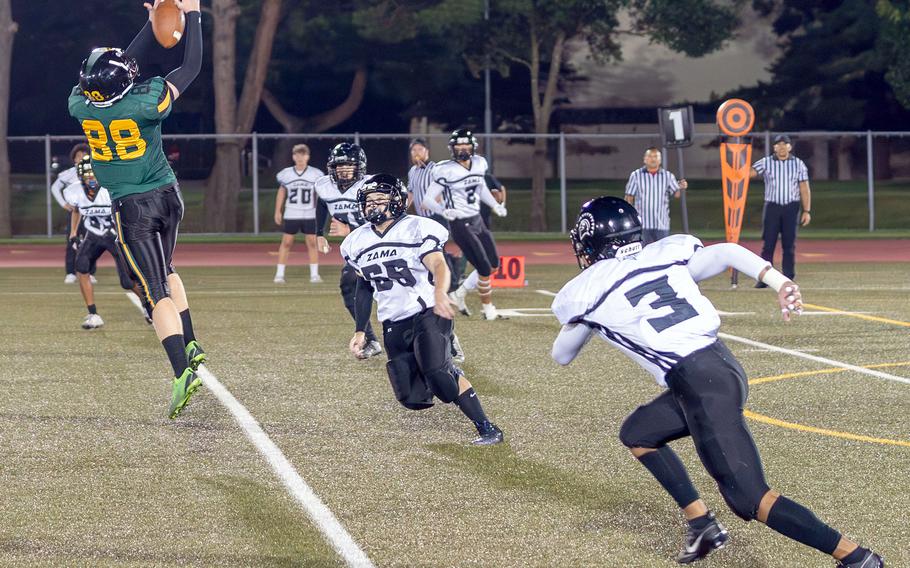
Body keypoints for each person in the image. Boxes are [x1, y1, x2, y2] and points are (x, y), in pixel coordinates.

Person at [550, 196, 883, 567]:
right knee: (639, 433)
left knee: (750, 498)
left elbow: (561, 355)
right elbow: (726, 250)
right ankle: (701, 523)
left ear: (590, 243)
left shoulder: (586, 292)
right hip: (719, 367)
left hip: (699, 386)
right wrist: (779, 280)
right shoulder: (665, 253)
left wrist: (580, 322)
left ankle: (856, 557)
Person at [68, 0, 206, 419]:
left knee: (154, 290)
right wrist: (194, 15)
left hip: (133, 207)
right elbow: (191, 67)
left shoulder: (81, 105)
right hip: (168, 195)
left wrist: (150, 24)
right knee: (168, 269)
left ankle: (182, 371)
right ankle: (192, 340)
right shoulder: (146, 101)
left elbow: (118, 70)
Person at [343, 174, 503, 445]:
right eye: (369, 201)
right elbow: (364, 287)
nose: (373, 206)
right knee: (412, 399)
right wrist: (361, 330)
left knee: (440, 378)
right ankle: (444, 360)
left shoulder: (417, 227)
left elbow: (439, 265)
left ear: (397, 200)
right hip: (393, 320)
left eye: (380, 199)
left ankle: (488, 428)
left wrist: (440, 294)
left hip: (428, 310)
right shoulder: (354, 242)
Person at [423, 129, 507, 321]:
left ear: (472, 147)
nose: (462, 149)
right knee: (484, 269)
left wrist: (495, 205)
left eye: (466, 145)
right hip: (460, 224)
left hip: (477, 219)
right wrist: (443, 210)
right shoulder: (445, 169)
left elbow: (481, 187)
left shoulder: (479, 163)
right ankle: (488, 309)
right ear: (452, 148)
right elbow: (428, 199)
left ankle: (459, 293)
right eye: (458, 146)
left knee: (494, 265)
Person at [64, 157, 153, 329]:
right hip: (93, 234)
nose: (91, 179)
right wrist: (74, 232)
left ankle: (148, 306)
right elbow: (76, 210)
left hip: (115, 235)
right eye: (87, 175)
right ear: (81, 176)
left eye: (93, 175)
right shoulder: (75, 191)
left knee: (127, 281)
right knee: (81, 266)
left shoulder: (110, 189)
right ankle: (93, 314)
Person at [314, 142, 382, 359]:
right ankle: (370, 339)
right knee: (349, 286)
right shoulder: (326, 186)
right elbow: (323, 203)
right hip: (358, 249)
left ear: (359, 167)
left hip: (382, 243)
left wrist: (348, 228)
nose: (343, 169)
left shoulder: (370, 186)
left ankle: (444, 337)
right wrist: (319, 233)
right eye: (339, 165)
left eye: (348, 165)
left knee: (393, 291)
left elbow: (381, 219)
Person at [406, 138, 465, 363]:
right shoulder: (413, 172)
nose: (417, 153)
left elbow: (442, 189)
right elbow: (411, 194)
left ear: (427, 151)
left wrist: (434, 201)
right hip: (421, 221)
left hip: (436, 218)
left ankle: (451, 276)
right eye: (414, 150)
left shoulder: (435, 168)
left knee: (435, 259)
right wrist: (403, 209)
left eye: (420, 149)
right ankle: (450, 276)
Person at [751, 134, 811, 287]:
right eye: (779, 144)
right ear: (774, 147)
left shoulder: (798, 164)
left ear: (790, 147)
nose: (782, 147)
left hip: (791, 207)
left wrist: (807, 210)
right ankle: (764, 278)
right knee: (768, 244)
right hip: (772, 206)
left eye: (785, 144)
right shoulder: (766, 162)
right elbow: (749, 173)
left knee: (789, 244)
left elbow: (804, 188)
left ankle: (788, 276)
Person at [273, 144, 329, 284]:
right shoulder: (286, 174)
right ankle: (279, 275)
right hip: (291, 212)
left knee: (312, 242)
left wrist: (320, 212)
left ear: (308, 157)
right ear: (293, 156)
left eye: (303, 155)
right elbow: (282, 191)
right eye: (297, 155)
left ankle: (314, 275)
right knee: (286, 242)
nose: (300, 158)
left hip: (309, 213)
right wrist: (277, 210)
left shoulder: (316, 174)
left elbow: (320, 194)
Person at [51, 143, 97, 284]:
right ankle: (70, 272)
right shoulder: (70, 173)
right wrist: (64, 204)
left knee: (91, 242)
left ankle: (90, 272)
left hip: (91, 213)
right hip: (75, 213)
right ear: (74, 159)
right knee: (72, 241)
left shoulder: (95, 172)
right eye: (78, 156)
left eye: (84, 155)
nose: (82, 158)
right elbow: (55, 187)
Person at [624, 147, 687, 246]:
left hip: (661, 223)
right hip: (642, 223)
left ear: (660, 159)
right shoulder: (636, 175)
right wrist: (629, 217)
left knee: (663, 253)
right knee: (641, 253)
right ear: (644, 159)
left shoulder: (668, 176)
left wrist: (680, 187)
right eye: (650, 156)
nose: (653, 159)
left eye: (656, 156)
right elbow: (629, 197)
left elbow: (676, 194)